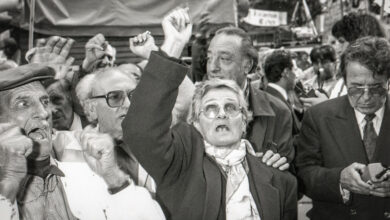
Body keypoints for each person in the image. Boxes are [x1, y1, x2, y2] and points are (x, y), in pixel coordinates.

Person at [121, 9, 297, 219]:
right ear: (195, 121)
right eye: (210, 109)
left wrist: (276, 166)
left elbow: (290, 177)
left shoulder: (278, 177)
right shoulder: (182, 159)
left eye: (231, 108)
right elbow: (142, 131)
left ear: (245, 119)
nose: (213, 67)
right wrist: (173, 45)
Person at [0, 64, 165, 220]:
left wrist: (115, 179)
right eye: (23, 104)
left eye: (44, 102)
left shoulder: (88, 176)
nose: (44, 113)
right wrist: (9, 185)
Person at [295, 36, 390, 220]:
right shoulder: (318, 117)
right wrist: (339, 179)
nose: (366, 97)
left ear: (388, 81)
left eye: (376, 87)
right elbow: (304, 173)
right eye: (356, 87)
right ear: (344, 80)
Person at [206, 26, 294, 168]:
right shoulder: (193, 110)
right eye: (209, 58)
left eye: (224, 58)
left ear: (247, 65)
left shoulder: (278, 111)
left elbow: (288, 178)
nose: (212, 67)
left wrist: (272, 168)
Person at [263, 49, 301, 135]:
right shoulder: (277, 105)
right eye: (295, 70)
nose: (297, 75)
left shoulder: (270, 97)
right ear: (286, 72)